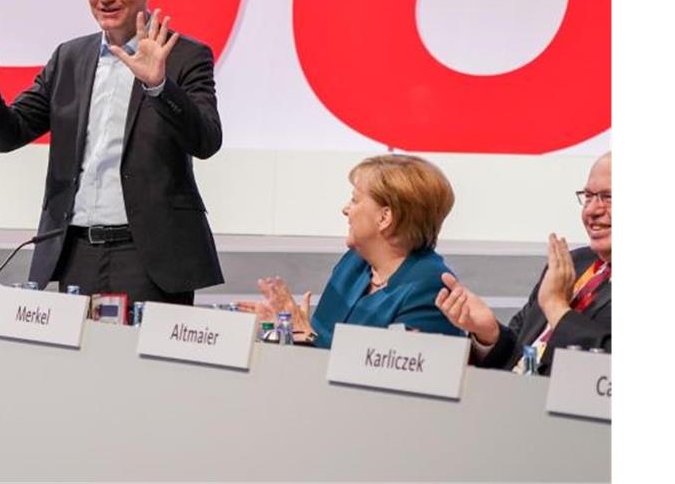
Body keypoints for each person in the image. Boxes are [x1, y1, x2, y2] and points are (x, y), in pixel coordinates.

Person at [0, 0, 223, 305]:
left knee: (142, 364)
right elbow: (9, 134)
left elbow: (206, 140)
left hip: (150, 256)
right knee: (74, 363)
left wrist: (158, 85)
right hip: (75, 251)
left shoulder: (185, 56)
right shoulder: (69, 57)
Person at [240, 154, 464, 348]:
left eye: (355, 200)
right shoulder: (354, 264)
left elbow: (384, 376)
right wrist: (282, 331)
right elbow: (318, 345)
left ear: (385, 217)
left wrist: (301, 334)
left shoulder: (431, 289)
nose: (346, 209)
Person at [435, 152, 611, 374]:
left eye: (608, 197)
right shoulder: (573, 263)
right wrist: (489, 334)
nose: (591, 210)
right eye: (588, 196)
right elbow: (520, 351)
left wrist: (557, 309)